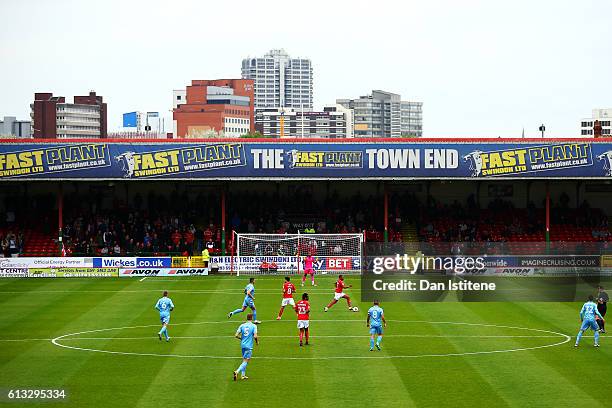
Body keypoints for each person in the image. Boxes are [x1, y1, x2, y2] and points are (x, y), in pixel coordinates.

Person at [234, 313, 258, 381]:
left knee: (244, 360)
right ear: (252, 318)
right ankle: (237, 372)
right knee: (246, 360)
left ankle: (243, 375)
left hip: (243, 345)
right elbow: (255, 336)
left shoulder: (242, 325)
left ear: (246, 318)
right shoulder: (254, 326)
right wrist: (256, 342)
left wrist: (241, 338)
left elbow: (236, 335)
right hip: (249, 346)